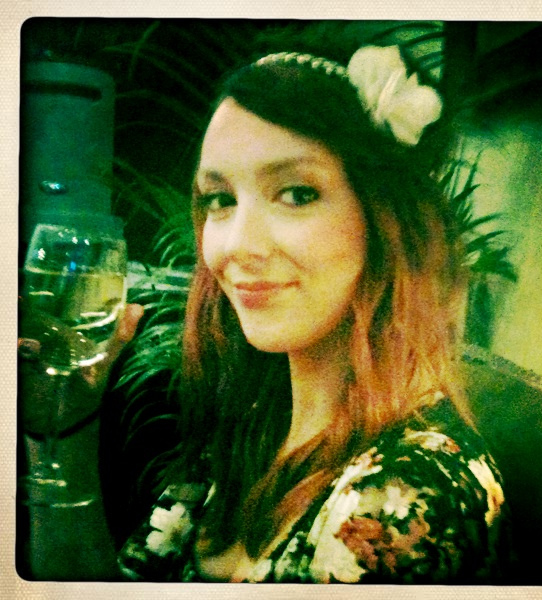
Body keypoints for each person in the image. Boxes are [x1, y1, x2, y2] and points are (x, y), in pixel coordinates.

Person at [22, 45, 511, 583]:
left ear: (388, 220)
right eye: (220, 199)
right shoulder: (254, 430)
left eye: (297, 194)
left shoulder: (409, 498)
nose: (236, 245)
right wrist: (64, 428)